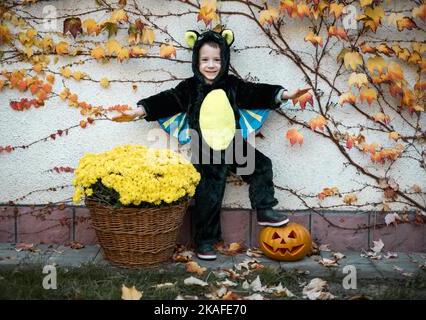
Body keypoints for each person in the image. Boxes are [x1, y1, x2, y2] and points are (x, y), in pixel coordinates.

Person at [113, 30, 311, 260]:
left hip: (233, 144)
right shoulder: (189, 88)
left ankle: (265, 208)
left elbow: (255, 93)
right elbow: (167, 100)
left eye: (217, 60)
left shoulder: (232, 85)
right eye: (205, 60)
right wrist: (139, 111)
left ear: (224, 60)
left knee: (262, 165)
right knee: (208, 194)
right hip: (205, 149)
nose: (211, 65)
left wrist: (284, 95)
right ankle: (205, 242)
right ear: (196, 61)